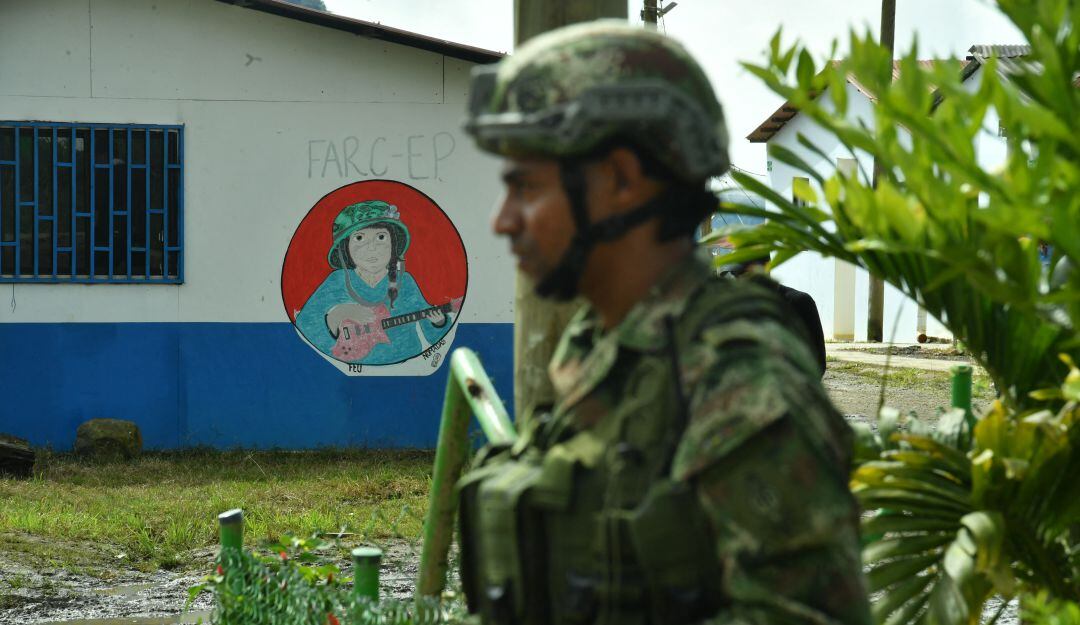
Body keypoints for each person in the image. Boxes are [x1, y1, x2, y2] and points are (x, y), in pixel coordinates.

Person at [455, 21, 871, 625]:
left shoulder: (737, 379)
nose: (503, 220)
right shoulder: (602, 343)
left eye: (526, 187)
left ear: (623, 180)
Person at [295, 200, 450, 365]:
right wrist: (335, 316)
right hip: (350, 370)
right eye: (359, 238)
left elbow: (433, 334)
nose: (372, 247)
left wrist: (439, 322)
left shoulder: (405, 281)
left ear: (393, 244)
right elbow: (305, 328)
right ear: (345, 247)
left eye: (381, 237)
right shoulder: (337, 281)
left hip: (407, 365)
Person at [719, 251, 828, 377]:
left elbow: (817, 363)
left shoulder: (798, 303)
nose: (740, 280)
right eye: (736, 275)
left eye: (745, 274)